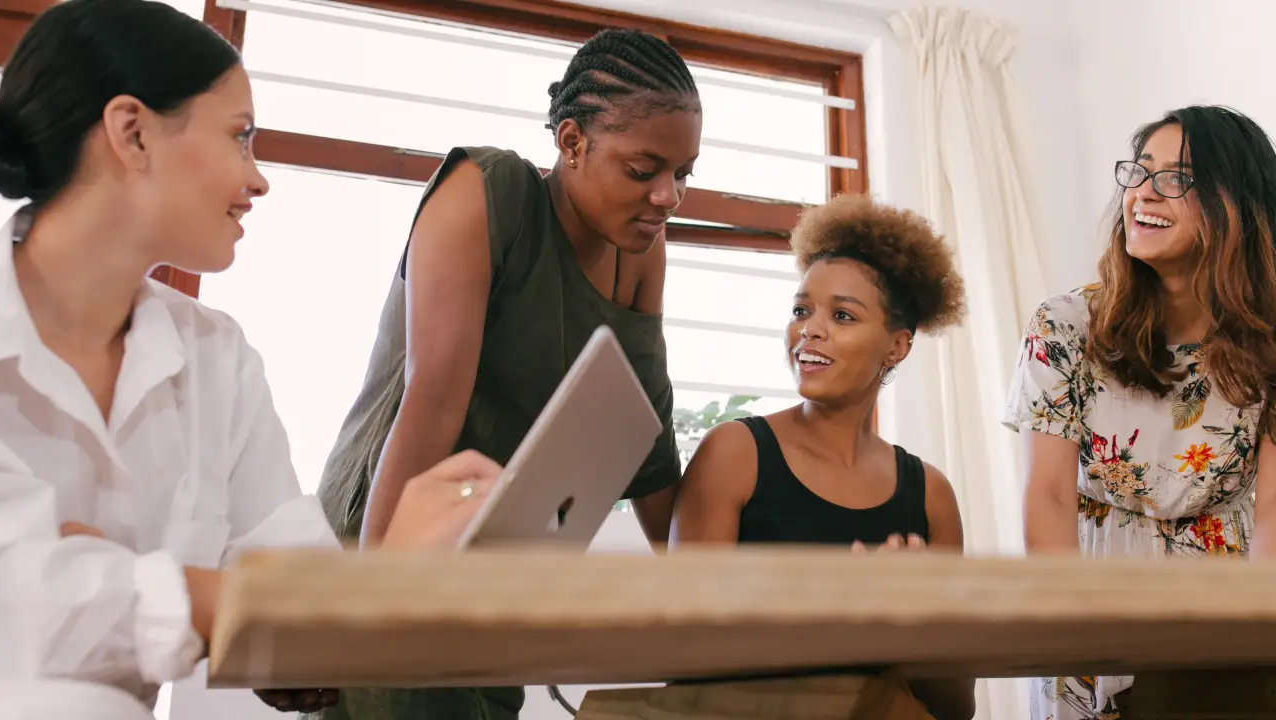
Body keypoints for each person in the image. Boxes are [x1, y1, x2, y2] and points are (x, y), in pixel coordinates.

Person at [0, 1, 504, 718]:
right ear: (132, 133)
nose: (259, 178)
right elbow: (25, 602)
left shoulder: (217, 359)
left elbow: (302, 632)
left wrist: (389, 580)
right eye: (240, 138)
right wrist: (201, 598)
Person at [312, 27, 701, 720]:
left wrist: (721, 603)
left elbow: (649, 438)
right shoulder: (485, 191)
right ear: (572, 142)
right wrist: (366, 607)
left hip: (499, 564)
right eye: (644, 171)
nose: (668, 196)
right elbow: (430, 406)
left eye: (683, 174)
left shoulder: (640, 250)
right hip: (393, 535)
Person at [1005, 105, 1276, 719]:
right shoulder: (1064, 325)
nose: (1144, 193)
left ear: (1236, 204)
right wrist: (1075, 625)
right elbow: (1047, 495)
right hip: (1087, 596)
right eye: (1139, 172)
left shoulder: (1269, 341)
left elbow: (1273, 516)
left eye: (1178, 178)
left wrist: (1252, 638)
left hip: (1221, 613)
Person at [668, 194, 975, 720]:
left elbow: (953, 707)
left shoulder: (931, 494)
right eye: (801, 310)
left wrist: (920, 621)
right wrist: (846, 619)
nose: (810, 329)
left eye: (842, 315)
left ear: (897, 346)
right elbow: (682, 649)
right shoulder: (735, 455)